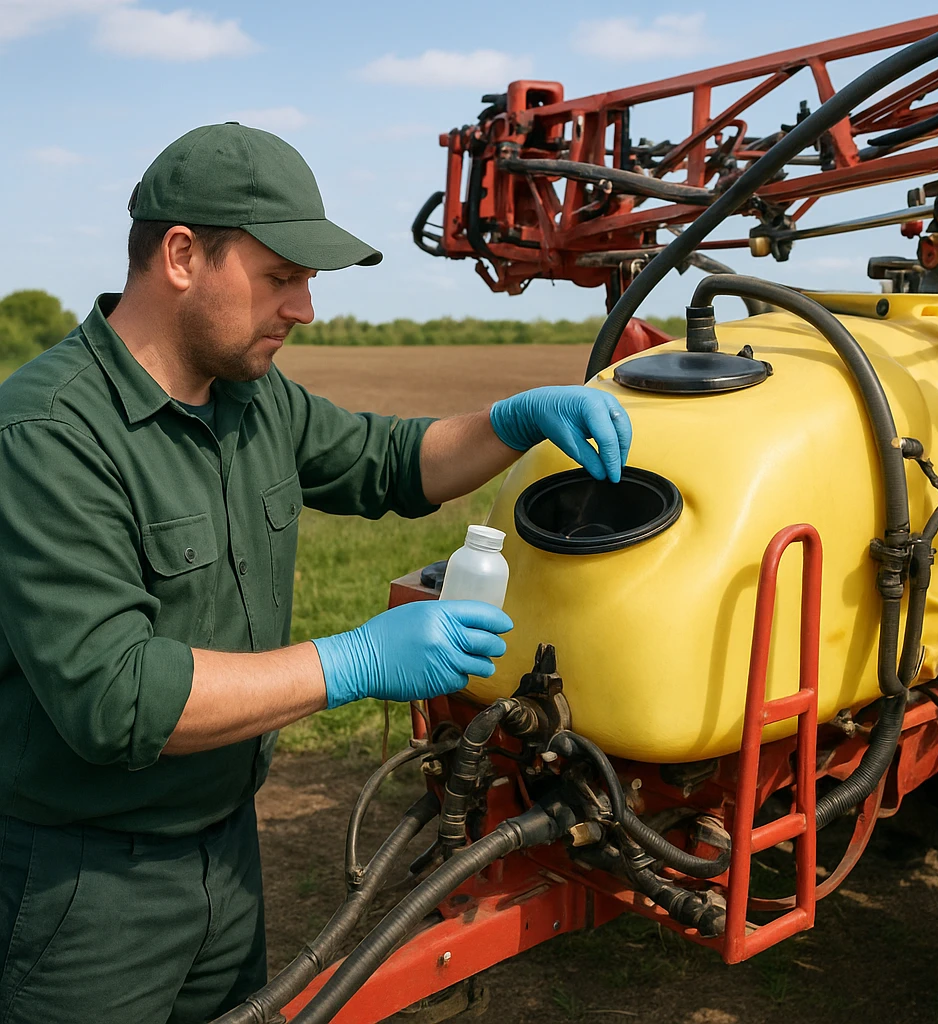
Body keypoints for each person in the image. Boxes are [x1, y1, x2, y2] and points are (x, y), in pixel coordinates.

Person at [0, 123, 631, 1024]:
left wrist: (515, 418)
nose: (303, 308)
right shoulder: (49, 435)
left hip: (224, 848)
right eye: (281, 277)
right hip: (88, 884)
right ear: (181, 255)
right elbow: (117, 695)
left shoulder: (251, 400)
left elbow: (395, 462)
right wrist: (353, 662)